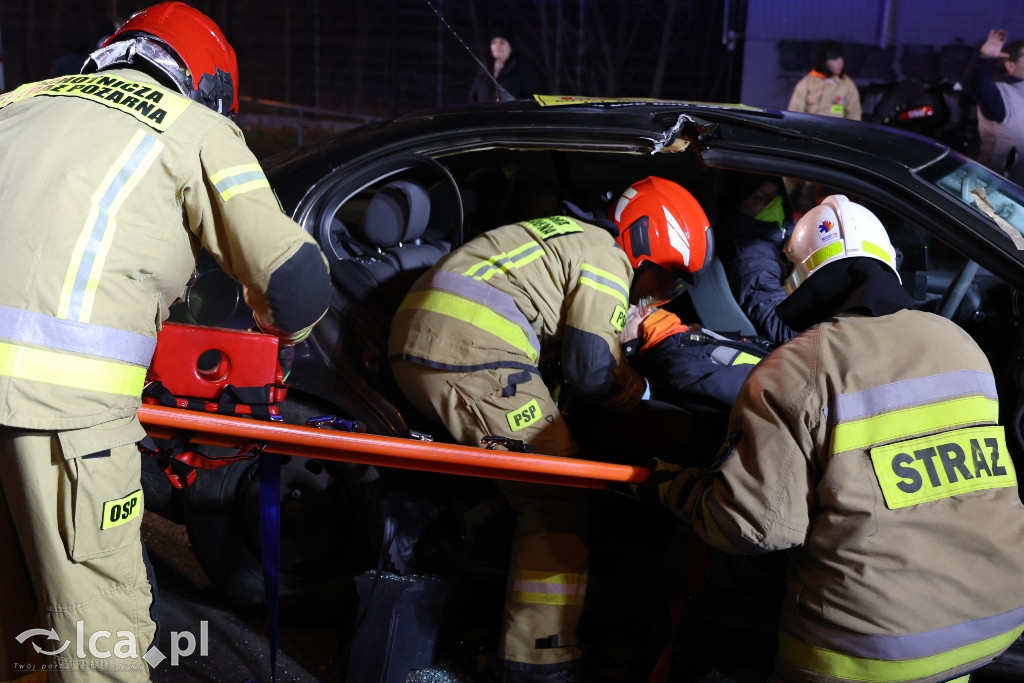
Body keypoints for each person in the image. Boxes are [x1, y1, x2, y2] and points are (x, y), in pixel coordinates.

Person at [0, 3, 331, 680]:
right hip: (60, 418)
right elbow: (296, 287)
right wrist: (280, 332)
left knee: (13, 626)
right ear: (207, 87)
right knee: (99, 637)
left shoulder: (20, 100)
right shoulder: (190, 128)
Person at [649, 195, 1024, 683]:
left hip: (866, 652)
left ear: (802, 282)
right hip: (995, 622)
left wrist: (672, 487)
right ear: (888, 263)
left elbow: (754, 526)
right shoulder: (960, 343)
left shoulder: (795, 368)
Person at [389, 176, 712, 682]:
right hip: (471, 352)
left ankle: (473, 536)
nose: (665, 294)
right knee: (558, 495)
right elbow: (593, 371)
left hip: (436, 340)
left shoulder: (574, 236)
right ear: (646, 249)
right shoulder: (609, 258)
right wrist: (642, 393)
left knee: (535, 466)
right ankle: (538, 661)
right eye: (669, 278)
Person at [965, 29, 1024, 183]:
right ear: (1010, 65)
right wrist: (983, 59)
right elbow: (976, 85)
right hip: (997, 190)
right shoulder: (1001, 94)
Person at [787, 40, 862, 120]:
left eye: (841, 58)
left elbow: (854, 114)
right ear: (824, 61)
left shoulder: (847, 85)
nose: (840, 63)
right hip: (811, 129)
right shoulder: (807, 83)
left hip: (835, 130)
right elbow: (795, 112)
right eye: (834, 59)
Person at [468, 33, 545, 103]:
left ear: (511, 47)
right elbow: (473, 97)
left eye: (502, 42)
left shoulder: (522, 69)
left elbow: (532, 98)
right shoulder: (483, 68)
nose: (497, 46)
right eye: (494, 42)